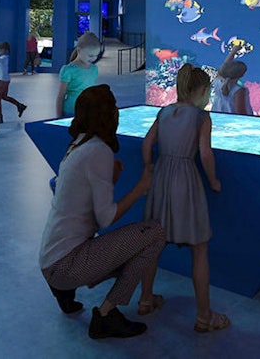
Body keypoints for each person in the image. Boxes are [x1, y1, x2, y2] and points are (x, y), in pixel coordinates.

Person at [38, 84, 165, 339]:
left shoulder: (79, 144)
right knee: (155, 234)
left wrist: (113, 179)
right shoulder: (99, 151)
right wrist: (140, 188)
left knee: (131, 246)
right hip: (67, 264)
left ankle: (63, 291)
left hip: (50, 258)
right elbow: (105, 218)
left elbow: (83, 205)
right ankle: (107, 313)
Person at [138, 64, 230, 333]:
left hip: (161, 179)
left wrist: (148, 167)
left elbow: (147, 144)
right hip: (186, 181)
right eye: (208, 93)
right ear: (202, 91)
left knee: (152, 245)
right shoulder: (202, 118)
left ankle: (145, 299)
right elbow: (205, 154)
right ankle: (204, 316)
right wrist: (213, 181)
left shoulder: (164, 112)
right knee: (199, 249)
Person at [56, 32, 100, 118]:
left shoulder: (94, 69)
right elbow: (61, 95)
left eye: (96, 56)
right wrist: (58, 117)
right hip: (71, 112)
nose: (93, 58)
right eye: (90, 55)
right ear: (79, 50)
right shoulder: (68, 70)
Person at [0, 42, 27, 123]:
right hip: (5, 80)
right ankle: (20, 105)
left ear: (3, 50)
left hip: (3, 81)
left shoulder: (4, 57)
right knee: (4, 97)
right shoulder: (3, 57)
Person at [210, 43, 252, 115]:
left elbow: (224, 66)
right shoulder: (239, 90)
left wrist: (234, 51)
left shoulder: (217, 81)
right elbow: (241, 112)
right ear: (242, 74)